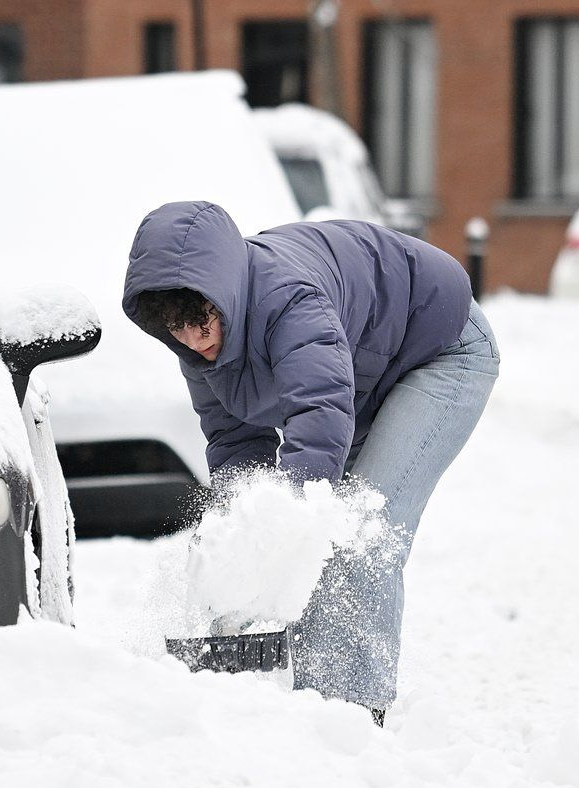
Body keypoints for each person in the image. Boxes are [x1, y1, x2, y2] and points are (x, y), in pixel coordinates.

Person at [122, 201, 500, 724]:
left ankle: (346, 724)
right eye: (176, 329)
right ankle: (298, 712)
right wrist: (241, 543)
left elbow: (318, 417)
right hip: (369, 373)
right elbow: (235, 445)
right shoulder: (198, 349)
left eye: (199, 321)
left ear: (224, 292)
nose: (193, 340)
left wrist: (288, 529)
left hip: (441, 349)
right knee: (294, 529)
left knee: (359, 529)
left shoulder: (288, 300)